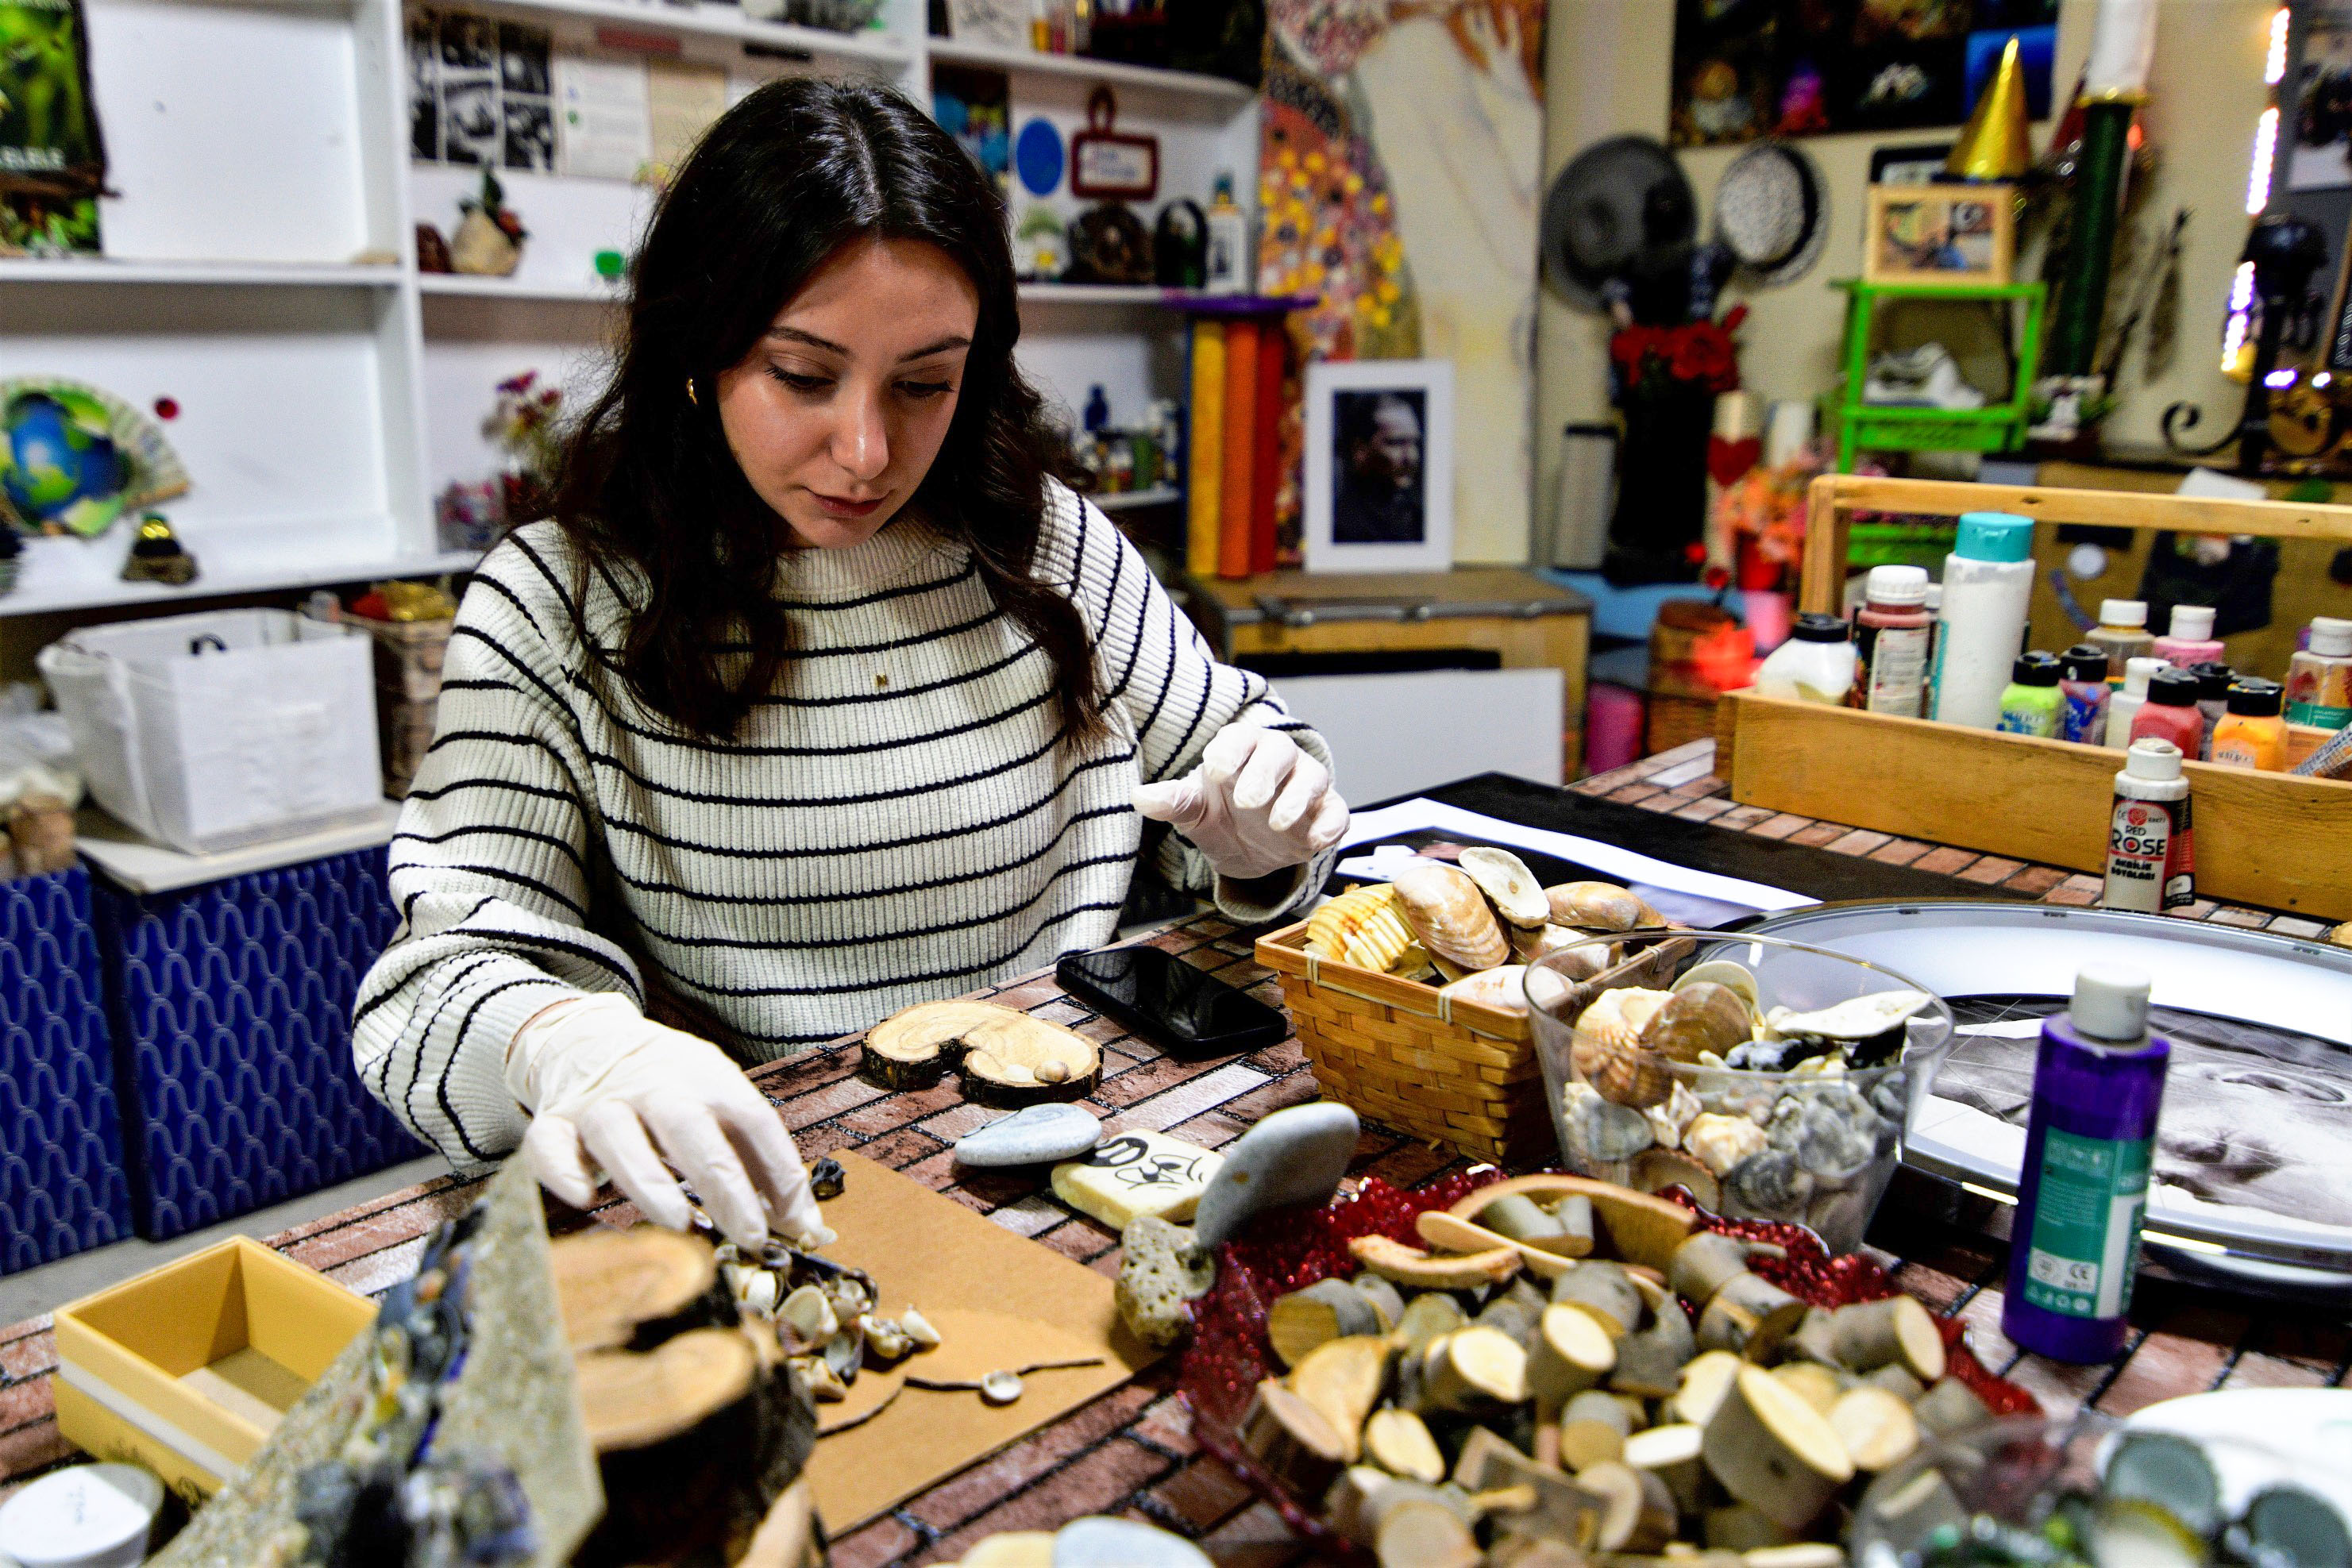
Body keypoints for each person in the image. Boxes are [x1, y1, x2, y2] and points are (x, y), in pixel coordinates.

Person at [354, 79, 1347, 1250]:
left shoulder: (1043, 540)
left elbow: (1248, 765)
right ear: (697, 349)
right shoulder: (558, 598)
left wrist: (1262, 839)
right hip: (775, 1204)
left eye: (924, 383)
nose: (867, 452)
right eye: (803, 376)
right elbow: (428, 994)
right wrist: (555, 1040)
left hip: (1096, 1155)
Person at [1330, 391, 1425, 543]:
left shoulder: (1417, 519)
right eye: (1396, 443)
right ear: (1360, 450)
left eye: (1415, 443)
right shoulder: (1341, 526)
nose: (1412, 457)